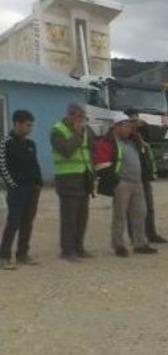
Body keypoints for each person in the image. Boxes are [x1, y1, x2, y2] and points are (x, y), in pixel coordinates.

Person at [93, 115, 158, 257]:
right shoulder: (109, 142)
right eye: (126, 126)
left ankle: (140, 243)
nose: (129, 129)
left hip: (137, 182)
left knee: (140, 213)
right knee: (120, 215)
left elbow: (146, 136)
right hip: (122, 182)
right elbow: (102, 164)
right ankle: (118, 244)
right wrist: (115, 181)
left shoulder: (133, 140)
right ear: (117, 126)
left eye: (130, 126)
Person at [51, 103, 96, 261]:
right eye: (79, 117)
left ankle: (79, 247)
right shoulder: (57, 130)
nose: (82, 120)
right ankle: (67, 250)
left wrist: (93, 173)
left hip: (84, 178)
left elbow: (91, 149)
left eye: (83, 117)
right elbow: (66, 151)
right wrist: (77, 134)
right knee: (69, 217)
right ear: (70, 116)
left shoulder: (86, 129)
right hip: (67, 178)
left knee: (82, 216)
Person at [0, 110, 42, 270]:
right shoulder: (5, 142)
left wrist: (39, 183)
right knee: (14, 222)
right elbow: (2, 166)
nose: (30, 128)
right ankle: (4, 257)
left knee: (27, 222)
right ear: (17, 123)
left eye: (31, 125)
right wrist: (12, 184)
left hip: (33, 189)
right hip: (17, 190)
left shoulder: (30, 144)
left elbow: (35, 165)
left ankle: (22, 254)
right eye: (27, 125)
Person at [125, 111, 167, 244]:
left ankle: (151, 233)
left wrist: (143, 127)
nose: (136, 123)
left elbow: (149, 142)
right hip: (131, 177)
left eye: (137, 120)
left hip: (144, 176)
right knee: (133, 209)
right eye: (133, 121)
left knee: (149, 207)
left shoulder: (140, 134)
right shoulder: (124, 137)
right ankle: (134, 236)